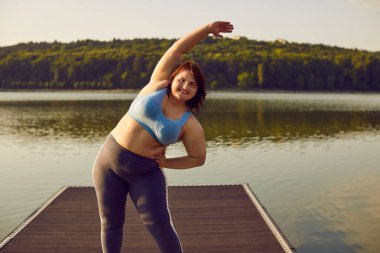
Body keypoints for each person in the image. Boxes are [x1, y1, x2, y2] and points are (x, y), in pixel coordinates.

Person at [92, 21, 234, 253]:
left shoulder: (190, 124)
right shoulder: (157, 84)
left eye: (192, 84)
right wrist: (207, 28)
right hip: (108, 163)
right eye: (182, 79)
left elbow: (198, 158)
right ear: (173, 77)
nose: (185, 86)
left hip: (144, 173)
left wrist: (167, 163)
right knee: (110, 223)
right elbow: (178, 48)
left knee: (160, 226)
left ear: (198, 91)